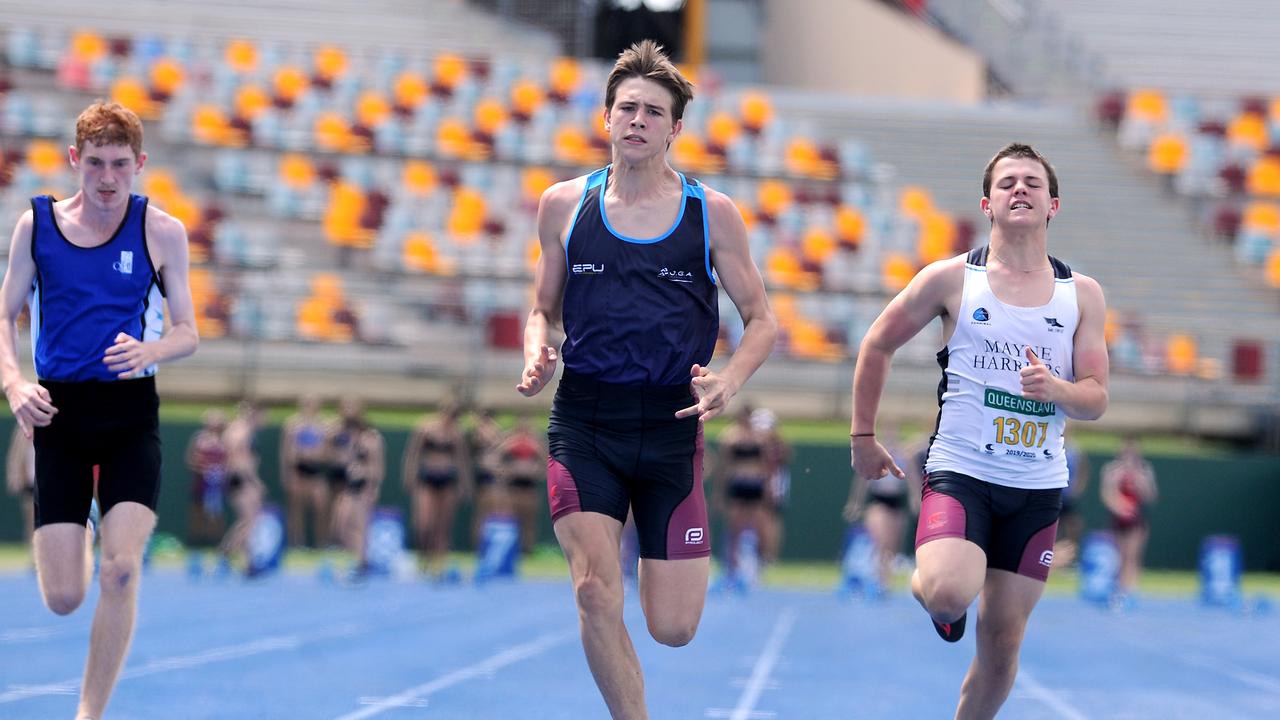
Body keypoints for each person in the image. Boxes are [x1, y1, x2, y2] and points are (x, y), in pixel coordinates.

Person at [516, 40, 777, 719]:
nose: (637, 120)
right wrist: (537, 350)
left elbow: (763, 319)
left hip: (670, 427)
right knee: (595, 592)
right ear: (605, 117)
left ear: (675, 128)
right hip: (586, 421)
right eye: (626, 107)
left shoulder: (709, 213)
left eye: (653, 111)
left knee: (674, 627)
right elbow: (541, 308)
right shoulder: (562, 205)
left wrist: (731, 378)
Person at [850, 143, 1109, 720]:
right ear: (987, 203)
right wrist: (863, 437)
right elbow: (877, 344)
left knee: (1002, 643)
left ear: (1053, 205)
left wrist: (1059, 391)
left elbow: (1096, 398)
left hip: (1037, 488)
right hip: (962, 472)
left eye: (1033, 183)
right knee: (948, 591)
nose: (1021, 189)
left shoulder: (1081, 295)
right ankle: (938, 599)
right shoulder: (950, 281)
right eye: (1009, 182)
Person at [0, 100, 198, 720]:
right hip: (57, 415)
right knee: (63, 597)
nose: (107, 179)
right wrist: (13, 385)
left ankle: (90, 713)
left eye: (119, 165)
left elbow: (189, 330)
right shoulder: (36, 227)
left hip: (129, 414)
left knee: (119, 571)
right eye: (95, 165)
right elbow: (4, 315)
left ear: (139, 164)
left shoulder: (161, 231)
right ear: (73, 162)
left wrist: (153, 346)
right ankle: (79, 522)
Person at [844, 424, 918, 592]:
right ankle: (876, 578)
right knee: (881, 542)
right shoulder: (875, 455)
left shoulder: (904, 457)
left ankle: (885, 581)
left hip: (897, 503)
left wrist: (916, 499)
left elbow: (912, 479)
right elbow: (862, 482)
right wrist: (855, 503)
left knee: (892, 546)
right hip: (879, 502)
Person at [401, 401, 470, 577]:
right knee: (424, 523)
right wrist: (409, 476)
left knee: (443, 525)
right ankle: (423, 557)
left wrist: (464, 484)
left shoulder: (457, 433)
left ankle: (438, 564)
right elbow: (413, 453)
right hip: (427, 478)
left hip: (447, 480)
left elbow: (462, 460)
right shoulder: (426, 428)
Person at [328, 396, 384, 576]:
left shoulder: (370, 436)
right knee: (341, 524)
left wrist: (374, 486)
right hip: (348, 484)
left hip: (363, 484)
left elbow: (376, 464)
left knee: (360, 525)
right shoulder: (342, 434)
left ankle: (362, 562)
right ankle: (362, 557)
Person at [713, 404, 772, 574]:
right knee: (735, 526)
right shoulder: (730, 436)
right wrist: (719, 493)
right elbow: (724, 467)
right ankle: (732, 566)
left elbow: (765, 465)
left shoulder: (760, 437)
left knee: (759, 525)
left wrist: (768, 488)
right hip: (738, 483)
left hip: (755, 484)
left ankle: (758, 565)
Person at [1100, 436, 1157, 598]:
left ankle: (1131, 590)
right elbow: (1106, 494)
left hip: (1137, 519)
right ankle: (1116, 588)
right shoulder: (1111, 470)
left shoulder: (1145, 470)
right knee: (1116, 555)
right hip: (1117, 518)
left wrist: (1141, 483)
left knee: (1132, 555)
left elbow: (1151, 496)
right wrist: (1119, 506)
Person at [218, 401, 266, 570]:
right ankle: (231, 557)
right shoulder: (242, 432)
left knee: (245, 521)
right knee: (250, 521)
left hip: (236, 478)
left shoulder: (235, 430)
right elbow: (240, 460)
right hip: (241, 478)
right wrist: (254, 482)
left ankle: (244, 559)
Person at [280, 394, 330, 548]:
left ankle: (321, 542)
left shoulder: (323, 425)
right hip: (298, 471)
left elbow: (326, 450)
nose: (309, 407)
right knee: (296, 509)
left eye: (312, 404)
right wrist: (287, 473)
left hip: (315, 471)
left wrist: (314, 454)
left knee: (321, 506)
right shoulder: (293, 424)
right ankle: (297, 543)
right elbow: (286, 451)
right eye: (306, 403)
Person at [494, 412, 547, 553]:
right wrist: (507, 471)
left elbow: (545, 463)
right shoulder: (510, 442)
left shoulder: (535, 444)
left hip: (529, 487)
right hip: (513, 488)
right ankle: (511, 550)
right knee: (511, 521)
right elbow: (497, 460)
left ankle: (527, 550)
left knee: (529, 522)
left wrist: (536, 472)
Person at [184, 409, 228, 547]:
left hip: (217, 484)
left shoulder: (225, 439)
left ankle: (217, 542)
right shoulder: (199, 438)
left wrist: (218, 472)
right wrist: (203, 468)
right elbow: (189, 458)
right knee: (197, 511)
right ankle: (196, 542)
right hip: (200, 481)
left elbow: (230, 461)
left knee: (216, 512)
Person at [755, 407, 791, 565]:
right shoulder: (756, 442)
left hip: (774, 483)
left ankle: (769, 555)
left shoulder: (778, 446)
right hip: (759, 481)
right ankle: (758, 553)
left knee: (771, 517)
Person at [466, 407, 505, 545]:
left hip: (495, 474)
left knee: (495, 511)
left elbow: (500, 445)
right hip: (484, 473)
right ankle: (478, 544)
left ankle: (492, 544)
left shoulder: (496, 430)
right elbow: (481, 441)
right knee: (482, 512)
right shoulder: (479, 432)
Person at [1052, 427, 1090, 567]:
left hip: (1068, 496)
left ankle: (1072, 558)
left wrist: (1078, 487)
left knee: (1074, 525)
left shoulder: (1075, 449)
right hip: (1054, 494)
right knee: (1052, 527)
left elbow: (1084, 468)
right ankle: (1053, 558)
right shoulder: (1053, 444)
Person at [5, 424, 36, 546]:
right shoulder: (21, 432)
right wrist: (14, 477)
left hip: (45, 480)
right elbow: (14, 457)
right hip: (29, 481)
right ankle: (33, 550)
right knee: (31, 518)